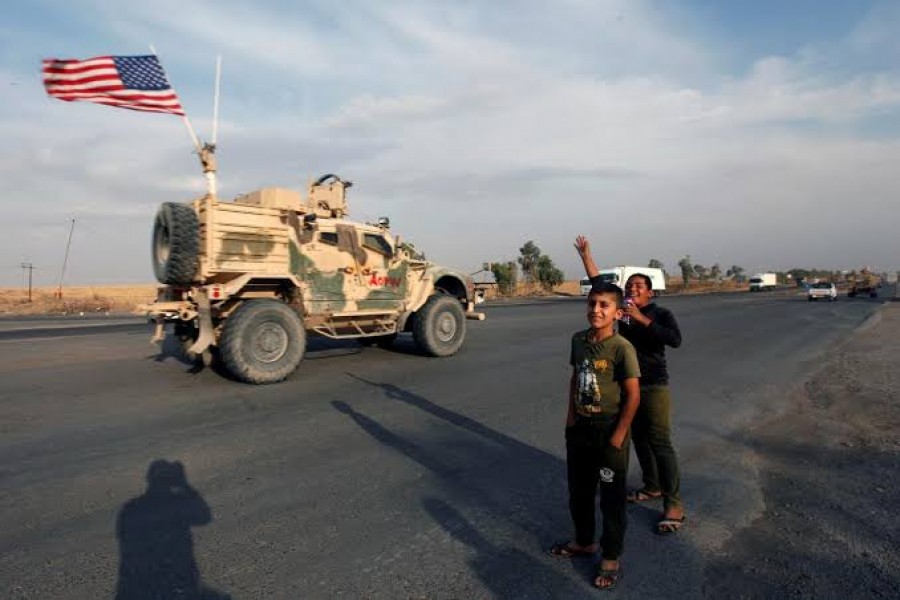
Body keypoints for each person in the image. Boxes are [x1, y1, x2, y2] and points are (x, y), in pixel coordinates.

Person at [574, 235, 685, 535]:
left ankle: (673, 503)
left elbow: (674, 340)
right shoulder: (620, 312)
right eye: (630, 286)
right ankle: (652, 486)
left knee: (660, 440)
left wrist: (641, 319)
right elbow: (600, 285)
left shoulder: (659, 314)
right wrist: (586, 256)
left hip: (653, 385)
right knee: (638, 439)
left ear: (650, 292)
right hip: (625, 386)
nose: (633, 289)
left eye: (639, 286)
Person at [548, 282, 641, 591]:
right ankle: (584, 541)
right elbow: (575, 378)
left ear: (617, 312)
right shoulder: (578, 341)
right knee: (580, 491)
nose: (596, 310)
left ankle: (611, 555)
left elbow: (633, 396)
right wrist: (571, 419)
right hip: (581, 434)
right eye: (592, 303)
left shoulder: (621, 348)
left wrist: (618, 437)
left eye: (604, 305)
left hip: (608, 437)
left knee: (611, 496)